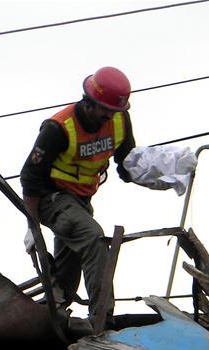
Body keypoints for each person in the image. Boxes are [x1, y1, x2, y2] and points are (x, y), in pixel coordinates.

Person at [21, 66, 136, 328]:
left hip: (82, 202)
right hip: (53, 199)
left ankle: (54, 312)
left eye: (115, 111)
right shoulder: (58, 128)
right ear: (89, 102)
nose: (110, 117)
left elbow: (127, 161)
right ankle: (101, 319)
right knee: (93, 240)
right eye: (105, 110)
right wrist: (32, 224)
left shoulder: (118, 120)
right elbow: (30, 177)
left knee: (69, 267)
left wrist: (153, 171)